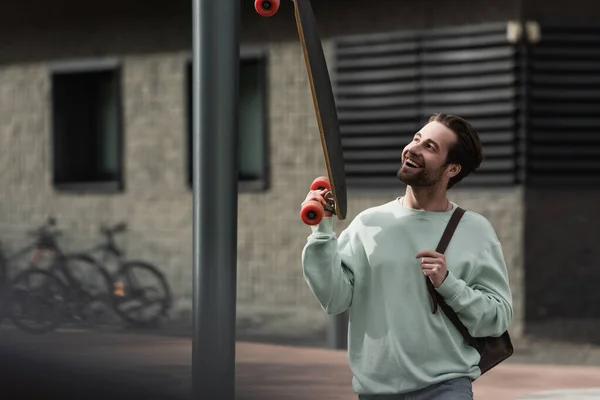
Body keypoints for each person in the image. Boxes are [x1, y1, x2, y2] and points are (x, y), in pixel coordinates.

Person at [301, 113, 513, 399]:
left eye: (430, 147)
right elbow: (334, 298)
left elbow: (498, 318)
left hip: (446, 386)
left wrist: (449, 285)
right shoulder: (369, 223)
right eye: (416, 139)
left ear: (452, 169)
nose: (413, 149)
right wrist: (322, 232)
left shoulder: (475, 230)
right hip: (376, 391)